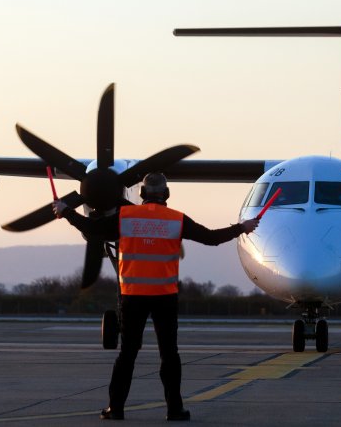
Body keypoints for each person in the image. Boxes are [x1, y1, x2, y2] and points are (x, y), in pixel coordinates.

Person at [52, 172, 259, 421]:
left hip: (132, 297)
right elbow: (211, 238)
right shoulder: (176, 220)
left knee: (127, 354)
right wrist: (242, 228)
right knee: (169, 354)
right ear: (167, 195)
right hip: (164, 297)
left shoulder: (125, 217)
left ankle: (115, 408)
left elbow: (93, 229)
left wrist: (66, 212)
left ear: (141, 195)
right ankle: (174, 409)